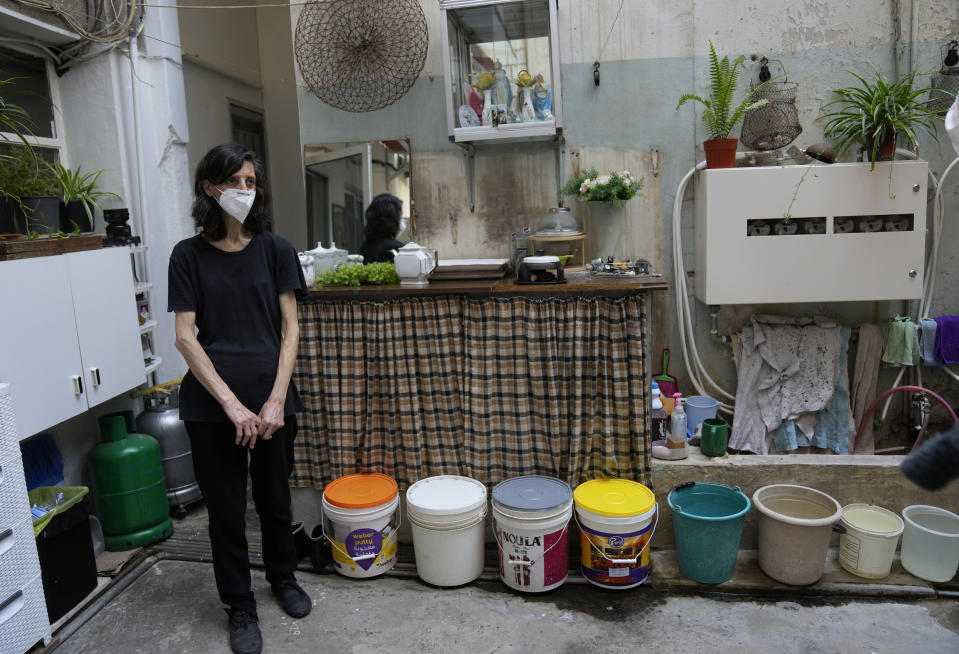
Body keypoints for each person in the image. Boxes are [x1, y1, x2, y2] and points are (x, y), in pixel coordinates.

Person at [167, 143, 309, 654]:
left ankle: (284, 579)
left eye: (251, 182)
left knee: (274, 500)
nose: (244, 191)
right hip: (212, 407)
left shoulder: (275, 250)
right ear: (210, 188)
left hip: (272, 401)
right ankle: (240, 607)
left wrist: (273, 403)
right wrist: (231, 406)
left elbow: (290, 329)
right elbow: (186, 337)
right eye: (234, 182)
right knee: (226, 511)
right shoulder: (187, 255)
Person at [357, 192, 406, 263]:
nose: (402, 220)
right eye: (400, 216)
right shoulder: (398, 249)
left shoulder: (364, 248)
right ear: (393, 219)